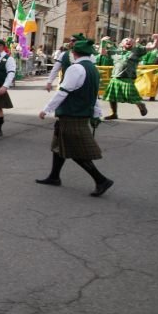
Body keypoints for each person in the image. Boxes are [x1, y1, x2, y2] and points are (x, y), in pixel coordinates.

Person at [37, 38, 113, 197]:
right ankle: (54, 176)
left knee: (75, 151)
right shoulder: (93, 68)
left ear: (74, 53)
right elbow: (94, 94)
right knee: (58, 146)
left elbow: (63, 92)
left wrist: (46, 110)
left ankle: (101, 180)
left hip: (72, 114)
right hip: (80, 112)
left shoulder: (76, 68)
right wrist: (97, 112)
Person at [102, 35, 156, 119]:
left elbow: (153, 47)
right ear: (121, 43)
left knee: (130, 95)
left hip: (128, 77)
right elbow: (102, 52)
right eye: (126, 40)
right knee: (112, 97)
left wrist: (157, 39)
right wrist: (103, 42)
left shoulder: (137, 50)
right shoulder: (115, 51)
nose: (128, 41)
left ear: (134, 44)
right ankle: (114, 113)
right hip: (115, 77)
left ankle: (141, 105)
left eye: (131, 40)